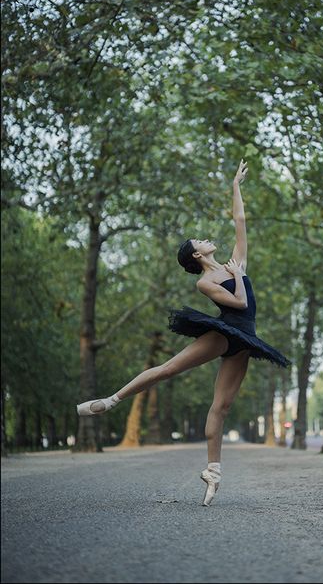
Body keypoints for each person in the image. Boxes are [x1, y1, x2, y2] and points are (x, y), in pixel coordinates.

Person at [76, 159, 292, 506]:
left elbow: (240, 222)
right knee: (168, 369)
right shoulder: (206, 281)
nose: (209, 239)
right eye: (202, 241)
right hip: (226, 332)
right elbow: (237, 303)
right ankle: (111, 401)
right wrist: (237, 275)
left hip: (245, 340)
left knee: (220, 407)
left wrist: (235, 187)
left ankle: (213, 471)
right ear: (196, 253)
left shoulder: (234, 262)